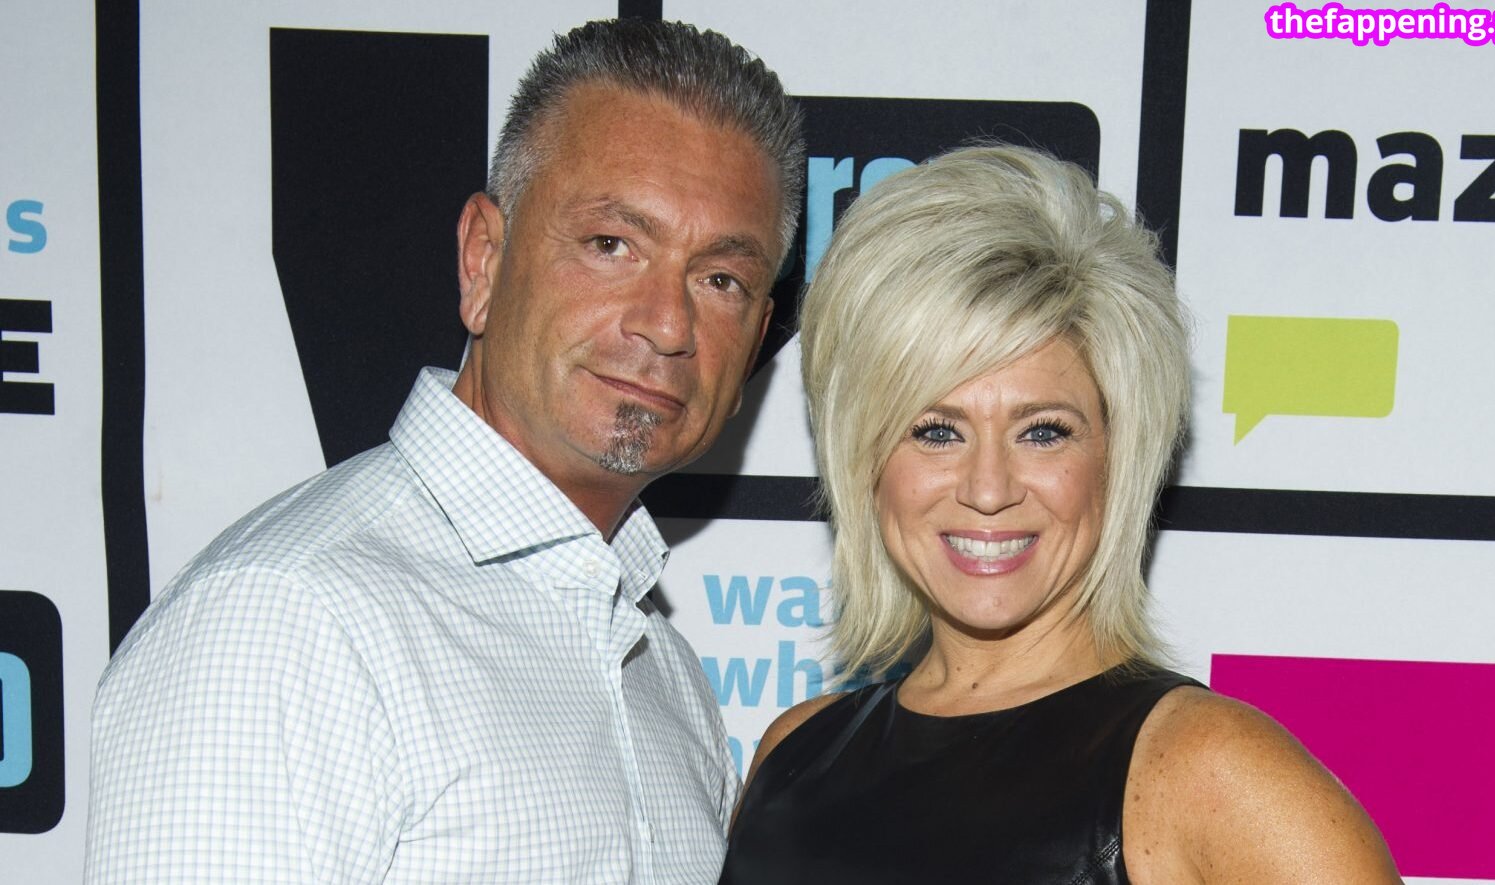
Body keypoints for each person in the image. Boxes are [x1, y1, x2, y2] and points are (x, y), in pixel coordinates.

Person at [86, 19, 802, 883]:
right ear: (483, 259)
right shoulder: (286, 620)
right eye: (611, 245)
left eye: (721, 279)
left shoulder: (665, 672)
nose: (666, 323)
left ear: (757, 333)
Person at [720, 145, 1400, 884]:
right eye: (936, 431)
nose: (988, 489)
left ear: (1117, 454)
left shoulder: (1208, 771)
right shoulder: (792, 755)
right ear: (865, 458)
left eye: (1042, 431)